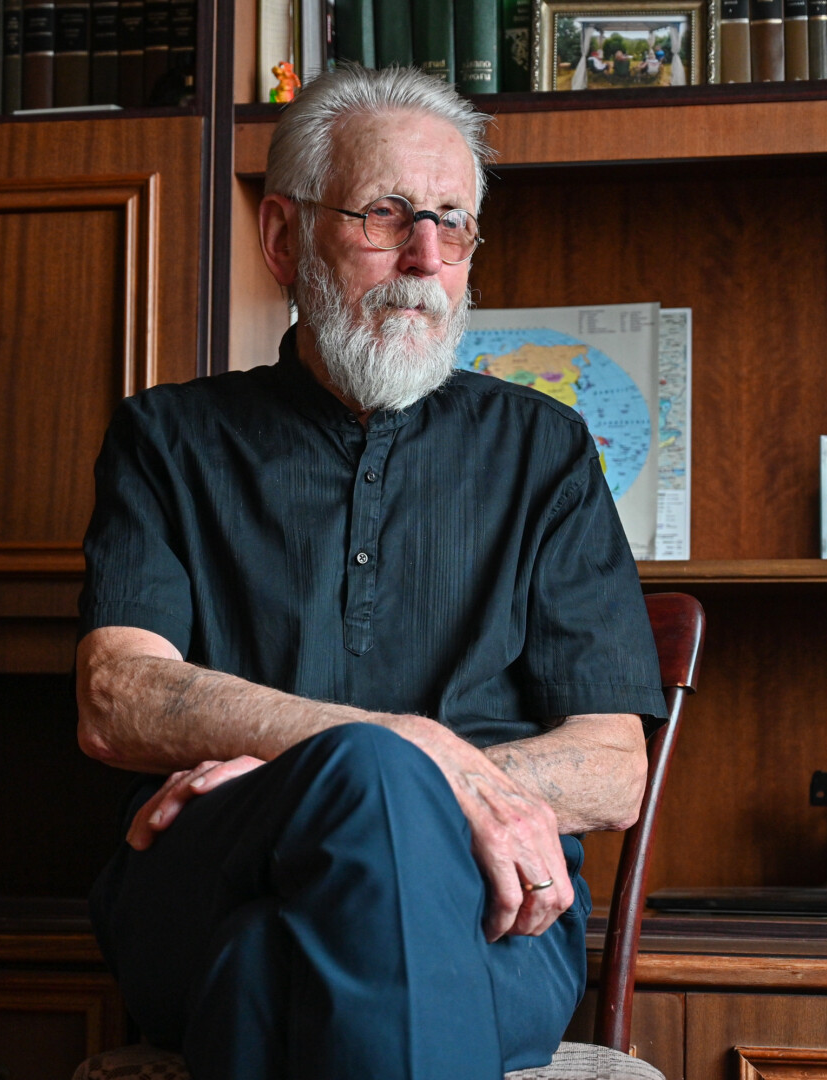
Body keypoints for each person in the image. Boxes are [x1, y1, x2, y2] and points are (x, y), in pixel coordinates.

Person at [75, 64, 666, 1080]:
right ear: (284, 237)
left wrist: (354, 774)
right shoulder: (168, 438)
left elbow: (613, 768)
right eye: (385, 215)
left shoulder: (545, 451)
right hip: (212, 881)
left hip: (490, 914)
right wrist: (394, 748)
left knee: (264, 971)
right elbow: (115, 697)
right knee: (366, 776)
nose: (425, 258)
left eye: (453, 223)